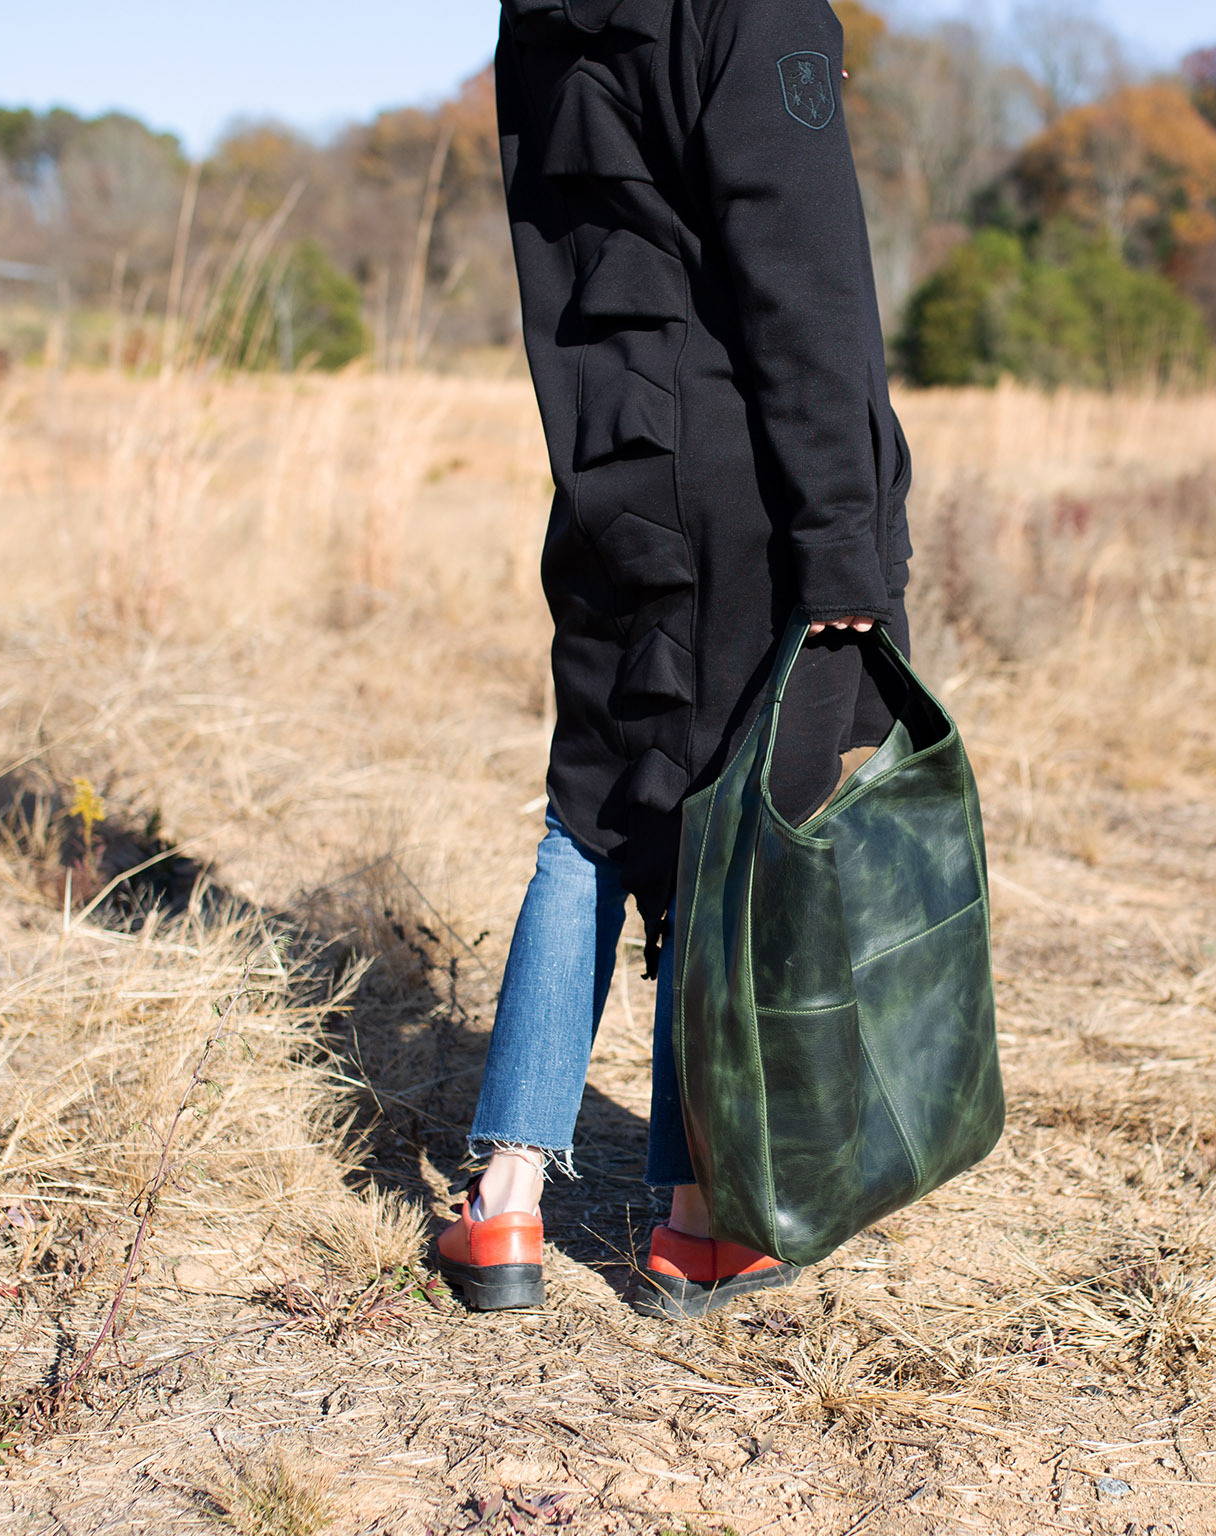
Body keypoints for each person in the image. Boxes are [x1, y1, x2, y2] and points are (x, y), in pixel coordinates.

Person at [434, 0, 914, 1319]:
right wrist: (847, 539)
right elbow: (807, 288)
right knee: (732, 840)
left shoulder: (540, 14)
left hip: (601, 469)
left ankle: (504, 1210)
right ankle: (698, 1220)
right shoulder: (754, 13)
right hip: (750, 497)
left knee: (588, 821)